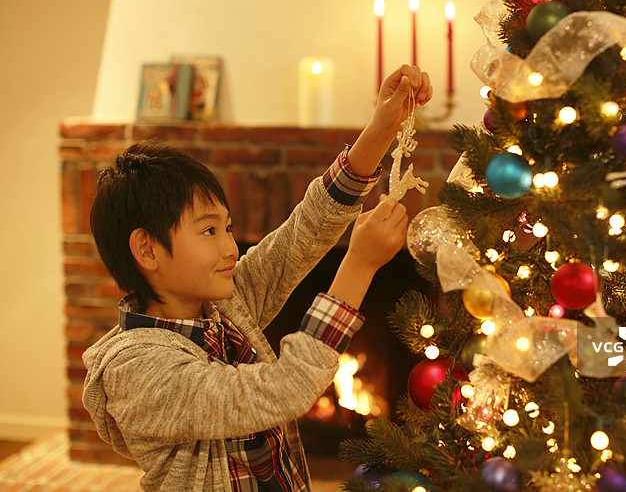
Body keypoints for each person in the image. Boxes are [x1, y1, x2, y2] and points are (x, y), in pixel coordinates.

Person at [82, 65, 432, 491]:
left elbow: (304, 233)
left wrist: (381, 126)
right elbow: (286, 388)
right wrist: (359, 265)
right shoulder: (137, 370)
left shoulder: (221, 305)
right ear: (147, 250)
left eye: (227, 228)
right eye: (208, 230)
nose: (230, 248)